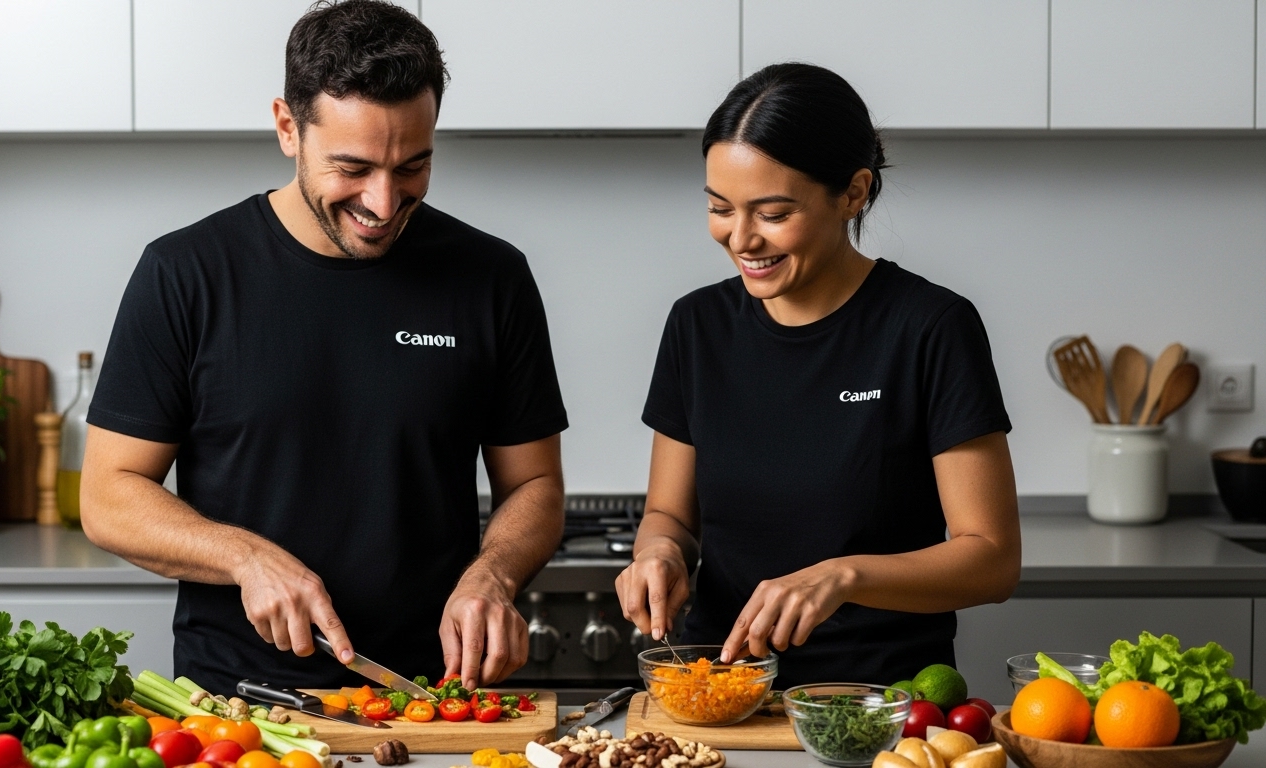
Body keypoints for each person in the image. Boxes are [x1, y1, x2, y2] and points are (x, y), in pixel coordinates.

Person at [80, 0, 568, 694]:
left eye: (413, 168)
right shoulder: (185, 273)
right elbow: (107, 496)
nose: (383, 200)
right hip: (241, 712)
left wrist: (493, 576)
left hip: (431, 700)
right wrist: (244, 556)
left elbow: (536, 486)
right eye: (353, 167)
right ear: (288, 127)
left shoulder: (491, 277)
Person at [614, 63, 1021, 687]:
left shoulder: (931, 327)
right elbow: (669, 514)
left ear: (853, 193)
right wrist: (658, 553)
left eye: (773, 213)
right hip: (725, 691)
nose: (741, 238)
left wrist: (845, 574)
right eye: (721, 208)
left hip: (880, 704)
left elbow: (992, 561)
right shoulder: (696, 325)